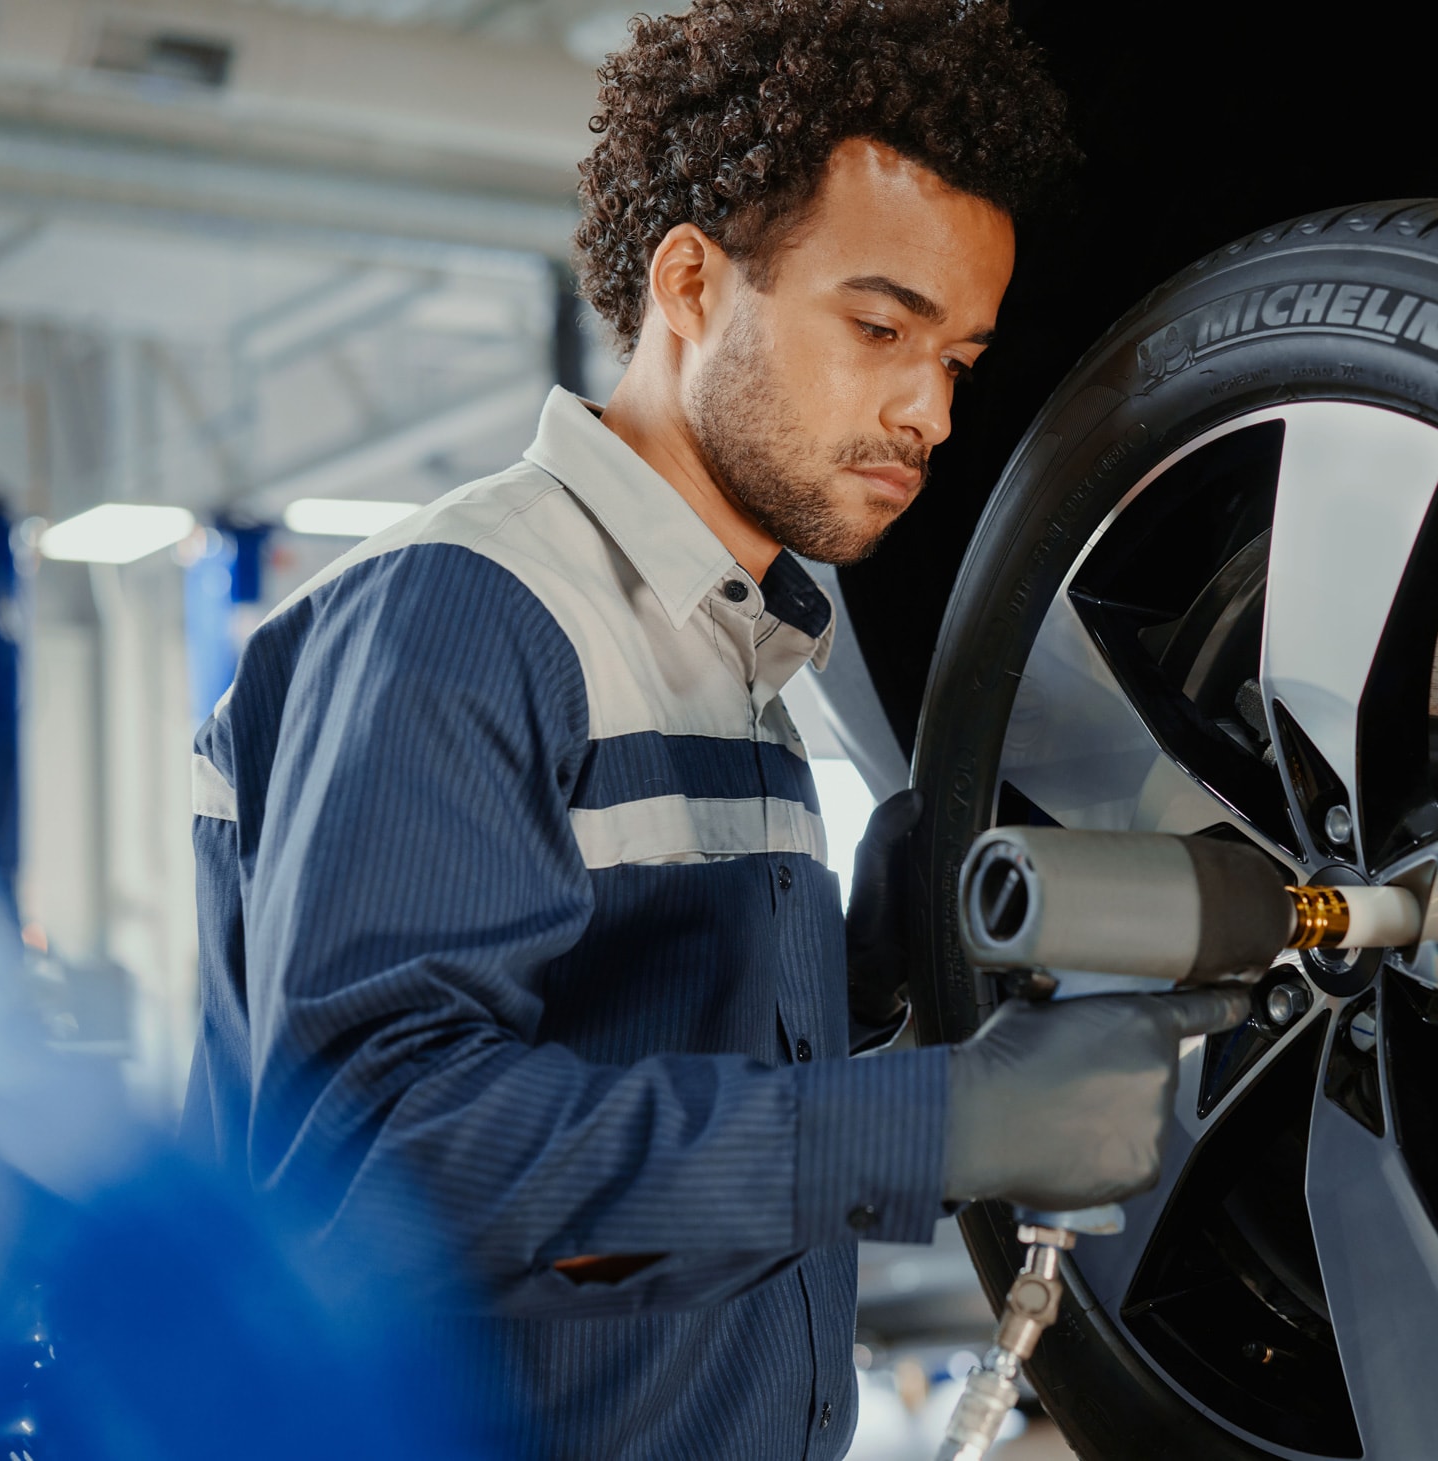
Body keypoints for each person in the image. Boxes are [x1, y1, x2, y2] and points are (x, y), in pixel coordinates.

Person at [181, 2, 1247, 1456]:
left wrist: (855, 977)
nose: (929, 412)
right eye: (880, 327)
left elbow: (635, 1076)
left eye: (962, 360)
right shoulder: (466, 613)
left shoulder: (733, 652)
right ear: (690, 280)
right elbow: (379, 1167)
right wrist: (923, 1125)